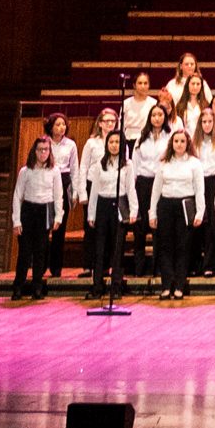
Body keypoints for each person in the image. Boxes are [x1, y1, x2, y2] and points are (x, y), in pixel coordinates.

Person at [152, 120, 207, 301]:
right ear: (171, 143)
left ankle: (179, 286)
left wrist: (200, 212)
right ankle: (167, 285)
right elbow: (156, 189)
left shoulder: (194, 163)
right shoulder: (164, 163)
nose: (179, 144)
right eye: (176, 141)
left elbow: (200, 190)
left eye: (182, 141)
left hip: (185, 206)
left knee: (183, 247)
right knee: (165, 246)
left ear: (187, 143)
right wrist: (152, 212)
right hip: (166, 205)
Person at [82, 127, 135, 306]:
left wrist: (133, 211)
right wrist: (91, 213)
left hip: (119, 205)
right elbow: (95, 190)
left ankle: (117, 286)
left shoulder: (128, 165)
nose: (114, 145)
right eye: (111, 142)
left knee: (117, 248)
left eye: (117, 142)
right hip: (103, 206)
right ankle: (97, 286)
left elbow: (130, 189)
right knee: (100, 248)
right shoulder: (99, 165)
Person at [12, 130, 68, 297]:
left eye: (46, 150)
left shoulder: (54, 171)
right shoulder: (26, 171)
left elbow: (58, 195)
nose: (43, 153)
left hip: (44, 211)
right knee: (24, 252)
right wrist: (16, 220)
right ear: (34, 151)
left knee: (40, 251)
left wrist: (59, 216)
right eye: (40, 150)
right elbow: (17, 195)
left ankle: (37, 286)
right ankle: (18, 287)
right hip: (28, 210)